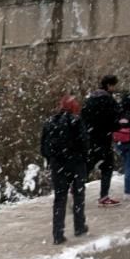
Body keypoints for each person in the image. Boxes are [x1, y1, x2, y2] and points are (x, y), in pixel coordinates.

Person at [40, 95, 89, 244]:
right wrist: (82, 158)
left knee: (59, 199)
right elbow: (84, 143)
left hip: (58, 165)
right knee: (78, 196)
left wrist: (52, 159)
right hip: (76, 164)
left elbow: (44, 147)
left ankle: (58, 234)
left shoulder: (50, 122)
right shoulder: (76, 121)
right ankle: (79, 226)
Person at [81, 74, 121, 206]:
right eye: (114, 85)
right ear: (109, 85)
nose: (115, 88)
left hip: (90, 138)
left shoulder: (90, 99)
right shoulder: (109, 101)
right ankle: (104, 197)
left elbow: (83, 118)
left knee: (89, 164)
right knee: (108, 166)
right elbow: (115, 121)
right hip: (103, 138)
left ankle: (75, 188)